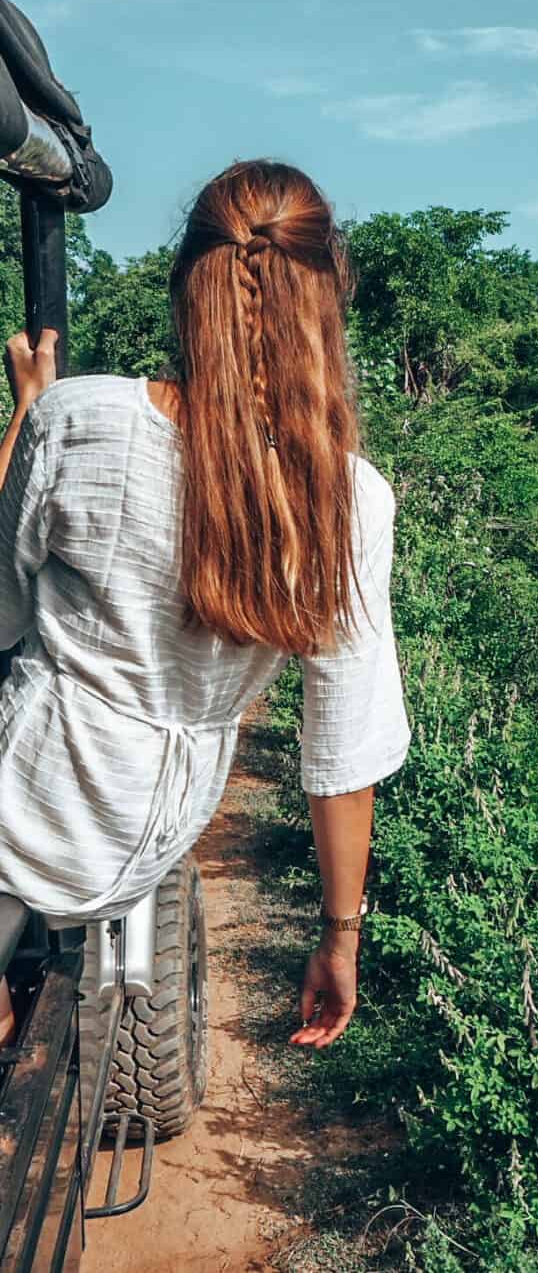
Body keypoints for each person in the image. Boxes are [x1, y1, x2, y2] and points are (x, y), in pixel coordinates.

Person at [0, 160, 411, 1050]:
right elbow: (343, 743)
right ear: (325, 306)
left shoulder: (77, 421)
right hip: (147, 831)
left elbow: (1, 610)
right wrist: (342, 937)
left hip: (23, 800)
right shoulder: (346, 501)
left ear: (188, 285)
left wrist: (26, 414)